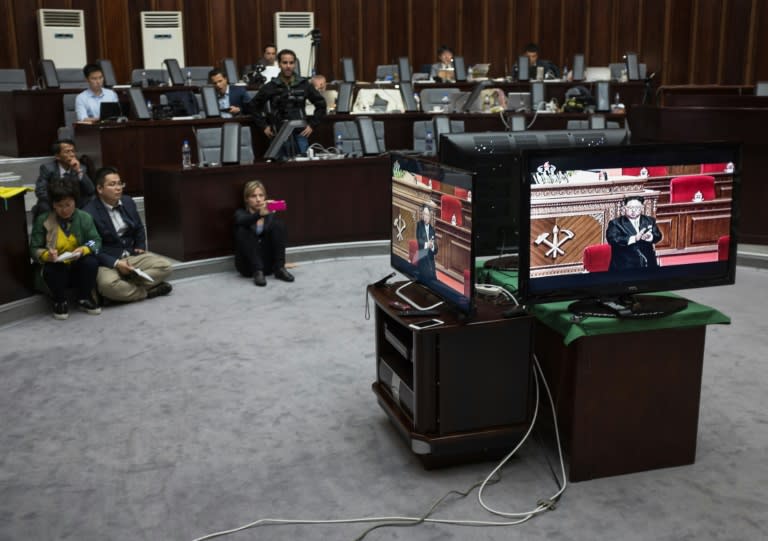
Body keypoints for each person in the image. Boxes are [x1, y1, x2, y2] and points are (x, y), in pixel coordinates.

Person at [83, 167, 173, 303]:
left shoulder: (127, 202)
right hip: (108, 260)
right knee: (108, 285)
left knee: (165, 266)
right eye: (112, 184)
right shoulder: (88, 213)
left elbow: (138, 228)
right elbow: (92, 247)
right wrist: (116, 263)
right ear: (100, 189)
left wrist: (140, 245)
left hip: (131, 254)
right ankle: (146, 292)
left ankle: (122, 292)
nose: (118, 188)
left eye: (120, 183)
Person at [29, 177, 102, 320]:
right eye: (59, 205)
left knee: (91, 262)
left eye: (68, 204)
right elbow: (34, 248)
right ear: (52, 204)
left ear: (75, 202)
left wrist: (83, 250)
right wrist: (46, 255)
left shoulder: (84, 218)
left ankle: (84, 298)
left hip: (77, 265)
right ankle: (59, 300)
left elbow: (96, 240)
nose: (64, 210)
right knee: (54, 267)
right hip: (55, 268)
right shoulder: (43, 220)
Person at [246, 49, 327, 157]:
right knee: (279, 171)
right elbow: (253, 106)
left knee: (302, 167)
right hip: (279, 134)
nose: (288, 66)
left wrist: (312, 125)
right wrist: (264, 126)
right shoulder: (271, 86)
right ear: (279, 64)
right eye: (285, 63)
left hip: (300, 134)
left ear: (294, 64)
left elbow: (321, 104)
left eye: (291, 63)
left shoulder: (304, 84)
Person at [233, 180, 294, 286]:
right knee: (243, 229)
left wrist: (273, 206)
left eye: (261, 195)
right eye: (253, 196)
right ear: (247, 199)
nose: (258, 199)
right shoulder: (240, 213)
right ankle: (258, 271)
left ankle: (279, 268)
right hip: (249, 267)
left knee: (278, 225)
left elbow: (284, 205)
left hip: (268, 265)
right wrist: (259, 214)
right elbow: (242, 221)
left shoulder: (268, 213)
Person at [33, 139, 95, 219]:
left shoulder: (80, 168)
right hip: (55, 203)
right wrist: (59, 202)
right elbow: (40, 191)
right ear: (57, 156)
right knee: (43, 205)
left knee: (91, 200)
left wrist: (79, 171)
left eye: (73, 151)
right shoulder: (47, 168)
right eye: (67, 152)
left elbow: (91, 190)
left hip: (74, 204)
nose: (72, 154)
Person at [606, 196, 663, 271]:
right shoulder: (615, 223)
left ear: (642, 208)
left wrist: (650, 237)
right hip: (624, 266)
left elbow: (658, 235)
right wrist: (634, 238)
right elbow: (612, 239)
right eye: (630, 208)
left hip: (648, 264)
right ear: (624, 208)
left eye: (637, 208)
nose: (633, 210)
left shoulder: (649, 220)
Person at [415, 205, 438, 280]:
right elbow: (419, 240)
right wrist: (426, 244)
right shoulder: (419, 225)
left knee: (434, 280)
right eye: (424, 214)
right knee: (427, 278)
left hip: (430, 260)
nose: (425, 216)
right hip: (422, 257)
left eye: (427, 214)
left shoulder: (432, 230)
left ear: (430, 216)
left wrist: (432, 246)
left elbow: (436, 249)